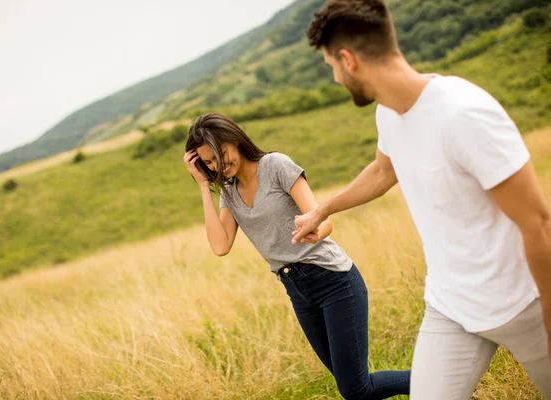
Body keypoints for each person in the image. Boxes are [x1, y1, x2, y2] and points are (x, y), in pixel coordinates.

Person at [291, 1, 551, 399]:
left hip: (524, 305)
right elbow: (383, 171)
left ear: (348, 59)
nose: (336, 79)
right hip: (450, 307)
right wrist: (321, 210)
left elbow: (538, 223)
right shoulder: (389, 113)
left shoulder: (463, 113)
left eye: (331, 67)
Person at [183, 113, 410, 400]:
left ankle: (449, 385)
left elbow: (321, 218)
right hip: (298, 292)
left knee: (355, 389)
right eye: (209, 163)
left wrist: (316, 229)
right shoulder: (227, 192)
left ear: (234, 140)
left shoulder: (275, 165)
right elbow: (220, 245)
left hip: (333, 281)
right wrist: (204, 186)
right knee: (353, 387)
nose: (218, 165)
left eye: (219, 155)